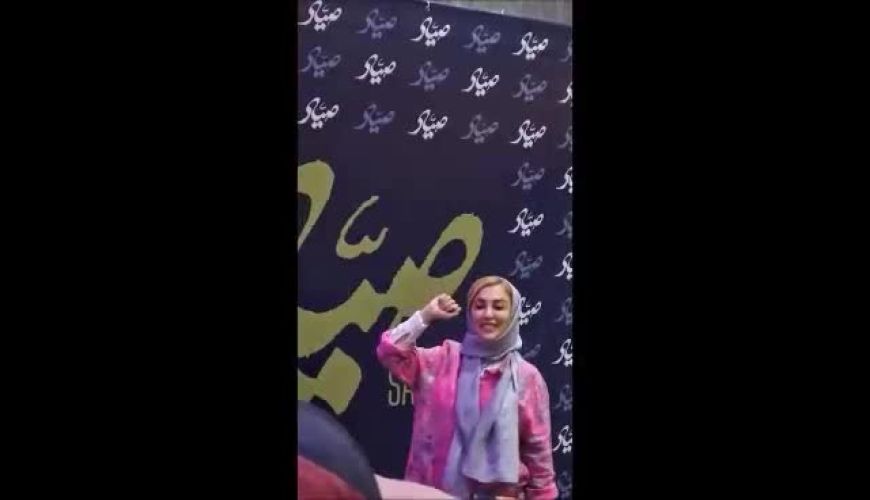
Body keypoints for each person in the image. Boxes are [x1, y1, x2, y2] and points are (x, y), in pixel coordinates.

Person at [376, 276, 558, 499]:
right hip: (431, 493)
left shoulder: (526, 378)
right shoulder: (442, 360)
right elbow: (390, 351)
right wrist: (424, 316)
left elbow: (539, 457)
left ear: (512, 314)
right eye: (479, 306)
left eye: (498, 307)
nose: (488, 314)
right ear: (470, 313)